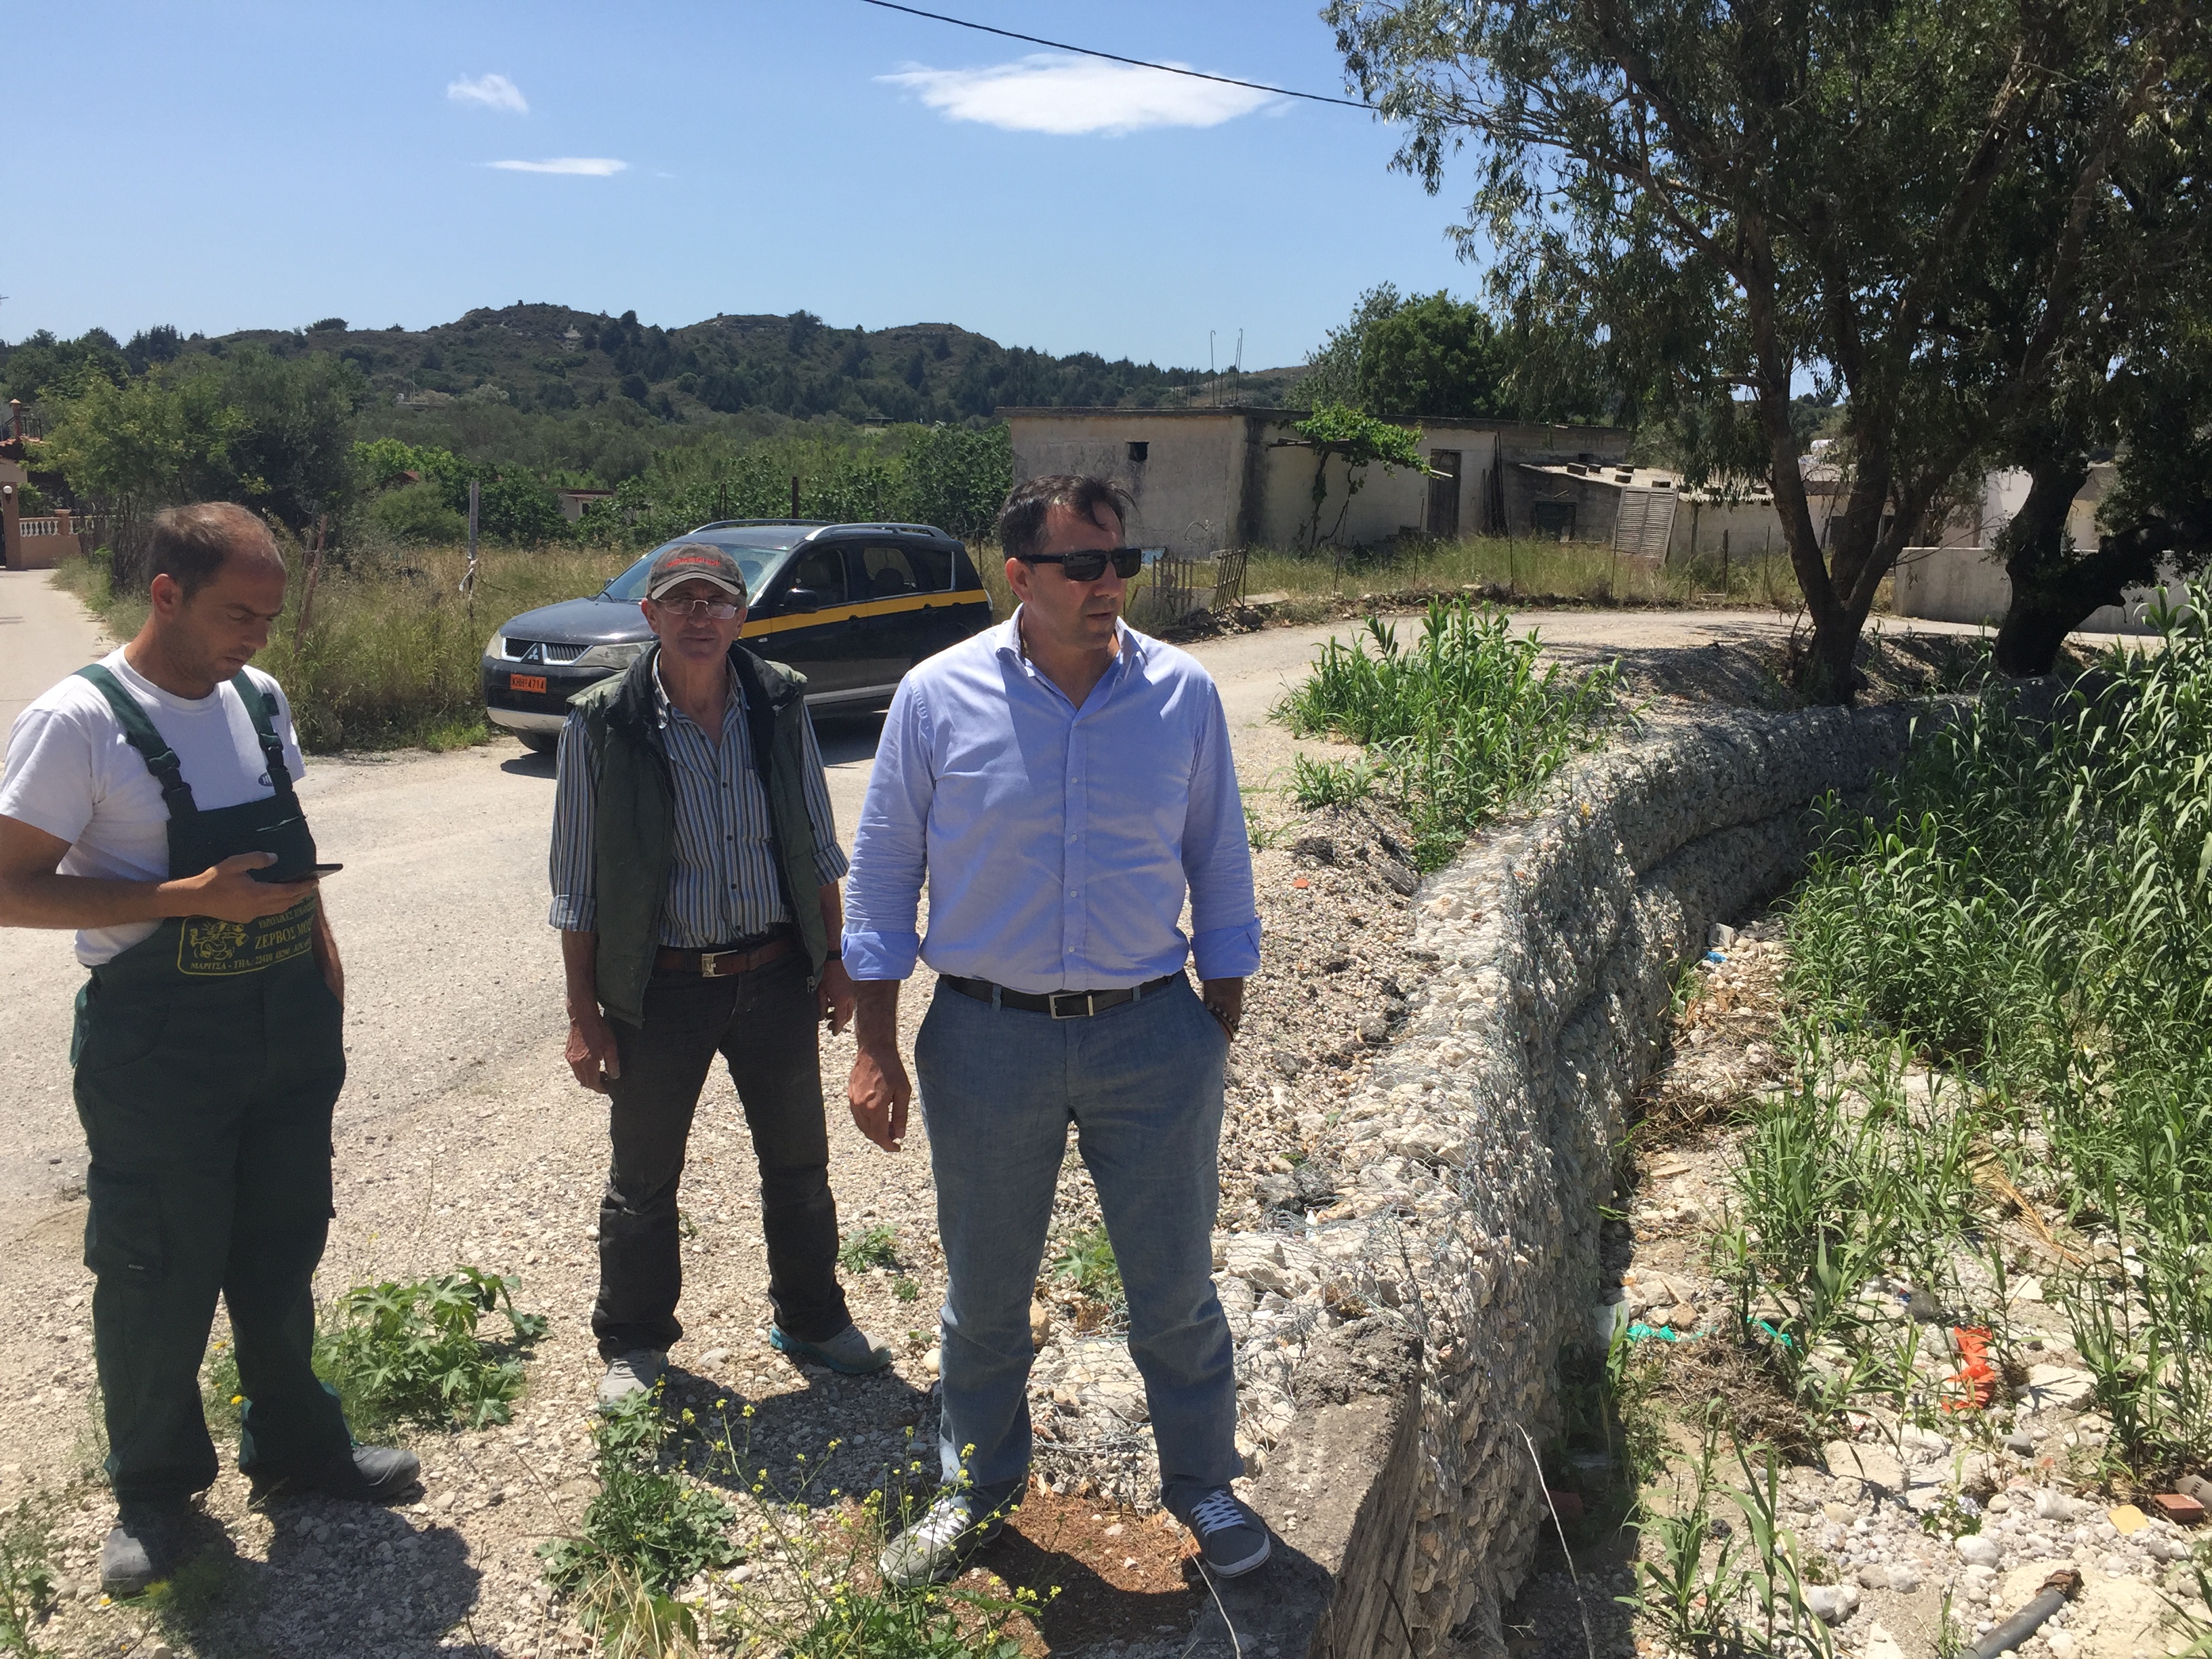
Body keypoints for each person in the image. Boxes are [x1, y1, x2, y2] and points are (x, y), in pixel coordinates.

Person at [842, 475, 1268, 1587]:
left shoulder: (1182, 694)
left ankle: (1204, 1485)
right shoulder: (936, 697)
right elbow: (881, 880)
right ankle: (976, 1491)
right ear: (1020, 576)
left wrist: (1215, 1017)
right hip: (986, 1040)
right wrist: (875, 1045)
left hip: (1151, 1032)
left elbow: (1218, 858)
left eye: (1122, 560)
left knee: (1173, 1288)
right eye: (1083, 564)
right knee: (984, 1295)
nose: (1109, 582)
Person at [0, 503, 419, 1597]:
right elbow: (8, 888)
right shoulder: (78, 722)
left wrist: (324, 968)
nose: (257, 637)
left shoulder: (258, 699)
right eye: (239, 614)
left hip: (286, 1029)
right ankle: (153, 1491)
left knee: (282, 1243)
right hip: (159, 1050)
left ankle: (296, 1446)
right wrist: (180, 897)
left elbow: (294, 860)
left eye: (269, 617)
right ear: (166, 594)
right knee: (155, 1262)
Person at [550, 539, 890, 1406]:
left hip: (775, 974)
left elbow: (816, 842)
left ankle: (812, 1319)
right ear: (650, 614)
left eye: (716, 601)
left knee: (800, 1165)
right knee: (643, 1178)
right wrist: (584, 1013)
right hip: (662, 987)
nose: (699, 617)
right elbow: (578, 886)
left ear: (741, 616)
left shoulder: (778, 701)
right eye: (681, 600)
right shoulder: (604, 722)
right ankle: (634, 1344)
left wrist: (836, 961)